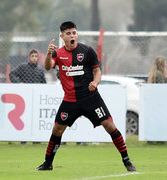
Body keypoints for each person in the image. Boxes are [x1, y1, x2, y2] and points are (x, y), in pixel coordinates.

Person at [36, 21, 136, 172]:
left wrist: (95, 83)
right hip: (70, 100)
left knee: (109, 125)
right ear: (62, 36)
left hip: (91, 98)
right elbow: (48, 66)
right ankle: (47, 164)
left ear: (77, 34)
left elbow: (97, 72)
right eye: (68, 33)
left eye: (74, 33)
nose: (72, 36)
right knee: (57, 130)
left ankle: (127, 160)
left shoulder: (88, 51)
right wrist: (49, 53)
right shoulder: (58, 53)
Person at [9, 48, 46, 144]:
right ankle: (23, 139)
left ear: (38, 58)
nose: (34, 58)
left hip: (36, 99)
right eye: (32, 56)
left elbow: (44, 84)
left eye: (36, 56)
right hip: (25, 99)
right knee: (25, 118)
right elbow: (11, 74)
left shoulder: (40, 70)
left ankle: (36, 140)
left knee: (36, 118)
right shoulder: (23, 67)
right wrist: (18, 83)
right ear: (29, 57)